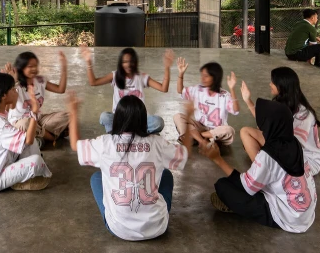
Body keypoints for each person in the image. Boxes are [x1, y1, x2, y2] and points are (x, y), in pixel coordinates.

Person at [69, 93, 190, 241]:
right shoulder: (157, 143)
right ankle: (153, 211)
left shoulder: (105, 143)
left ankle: (119, 214)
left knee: (96, 177)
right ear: (144, 120)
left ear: (116, 119)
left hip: (119, 229)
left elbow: (75, 145)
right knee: (166, 174)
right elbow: (185, 154)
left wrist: (73, 111)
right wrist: (189, 117)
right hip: (157, 227)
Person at [202, 99, 316, 233]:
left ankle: (236, 206)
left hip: (288, 219)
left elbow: (244, 186)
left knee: (223, 186)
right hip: (304, 214)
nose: (259, 126)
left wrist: (217, 159)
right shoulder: (293, 142)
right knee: (255, 180)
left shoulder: (268, 156)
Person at [239, 67, 320, 175]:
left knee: (248, 135)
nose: (270, 84)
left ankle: (263, 173)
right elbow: (264, 121)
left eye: (273, 82)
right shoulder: (285, 104)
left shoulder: (304, 115)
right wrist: (247, 100)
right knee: (251, 138)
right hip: (290, 152)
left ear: (281, 86)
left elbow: (292, 147)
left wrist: (264, 141)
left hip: (305, 162)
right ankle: (263, 170)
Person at [0, 72, 52, 192]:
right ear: (4, 96)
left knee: (31, 143)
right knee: (37, 162)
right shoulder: (2, 126)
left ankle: (21, 173)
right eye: (12, 89)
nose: (16, 91)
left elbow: (9, 108)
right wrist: (34, 112)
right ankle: (18, 181)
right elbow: (28, 140)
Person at [80, 45, 171, 134]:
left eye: (131, 61)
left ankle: (121, 133)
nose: (128, 64)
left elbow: (163, 88)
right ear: (121, 63)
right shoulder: (115, 76)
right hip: (120, 119)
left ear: (135, 62)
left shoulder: (141, 77)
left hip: (139, 119)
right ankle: (134, 133)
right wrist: (88, 63)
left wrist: (167, 67)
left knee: (158, 122)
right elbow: (93, 82)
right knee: (104, 117)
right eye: (125, 62)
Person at [2, 51, 70, 145]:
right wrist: (11, 82)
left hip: (37, 119)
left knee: (68, 115)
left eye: (35, 66)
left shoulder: (40, 80)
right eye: (30, 66)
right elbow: (7, 108)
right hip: (19, 121)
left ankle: (37, 135)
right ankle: (50, 137)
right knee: (26, 124)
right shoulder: (16, 86)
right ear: (21, 68)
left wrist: (64, 68)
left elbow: (60, 89)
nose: (34, 69)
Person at [174, 58, 238, 146]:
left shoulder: (224, 95)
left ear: (215, 78)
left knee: (229, 131)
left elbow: (235, 110)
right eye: (202, 75)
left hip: (216, 131)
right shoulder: (198, 90)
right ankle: (202, 141)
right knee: (178, 116)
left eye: (206, 76)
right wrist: (181, 74)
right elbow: (180, 90)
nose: (202, 78)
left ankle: (195, 137)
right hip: (199, 126)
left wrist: (232, 89)